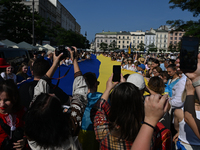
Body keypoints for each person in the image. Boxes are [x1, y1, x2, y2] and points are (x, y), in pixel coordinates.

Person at [24, 47, 88, 149]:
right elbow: (80, 93)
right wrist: (75, 61)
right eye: (53, 97)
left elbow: (39, 91)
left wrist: (54, 64)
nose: (53, 94)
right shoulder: (69, 129)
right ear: (59, 113)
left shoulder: (30, 132)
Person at [79, 72, 102, 150]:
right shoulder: (103, 97)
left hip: (80, 131)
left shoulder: (77, 97)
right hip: (98, 133)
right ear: (95, 84)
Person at [0, 80, 26, 149]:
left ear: (15, 98)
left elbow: (31, 133)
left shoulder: (23, 112)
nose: (2, 104)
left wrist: (25, 141)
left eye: (6, 100)